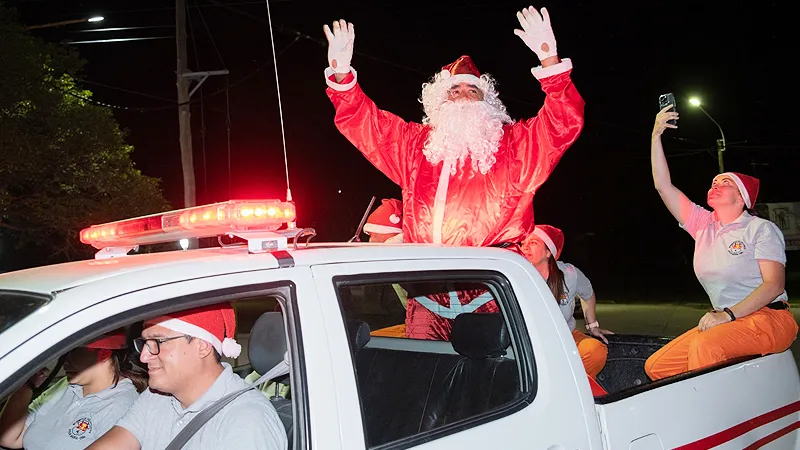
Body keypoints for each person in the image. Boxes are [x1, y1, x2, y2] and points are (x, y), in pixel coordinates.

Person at [323, 6, 584, 247]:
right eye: (454, 89)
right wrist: (342, 75)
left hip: (491, 283)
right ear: (440, 101)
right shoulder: (416, 146)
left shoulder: (517, 146)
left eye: (473, 89)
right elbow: (365, 125)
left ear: (488, 102)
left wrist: (550, 61)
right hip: (426, 283)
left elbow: (563, 121)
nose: (463, 94)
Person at [644, 105, 798, 380]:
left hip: (770, 319)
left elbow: (774, 285)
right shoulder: (703, 225)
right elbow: (663, 186)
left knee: (706, 346)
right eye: (714, 180)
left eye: (725, 182)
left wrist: (727, 314)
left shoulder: (760, 229)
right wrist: (656, 135)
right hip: (729, 320)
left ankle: (720, 419)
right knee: (657, 367)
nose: (715, 183)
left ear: (742, 199)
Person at [88, 304, 287, 449]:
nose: (144, 355)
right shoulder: (156, 397)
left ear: (202, 346)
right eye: (145, 343)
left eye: (158, 341)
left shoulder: (247, 421)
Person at [0, 330, 144, 450]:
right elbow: (10, 439)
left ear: (104, 354)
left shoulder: (124, 408)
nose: (65, 361)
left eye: (73, 351)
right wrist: (27, 386)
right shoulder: (65, 386)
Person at [521, 225, 613, 378]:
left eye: (534, 243)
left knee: (595, 351)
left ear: (548, 252)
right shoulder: (517, 275)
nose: (525, 247)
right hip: (532, 344)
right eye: (524, 243)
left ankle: (574, 387)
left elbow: (588, 294)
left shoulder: (569, 274)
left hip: (566, 338)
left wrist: (592, 325)